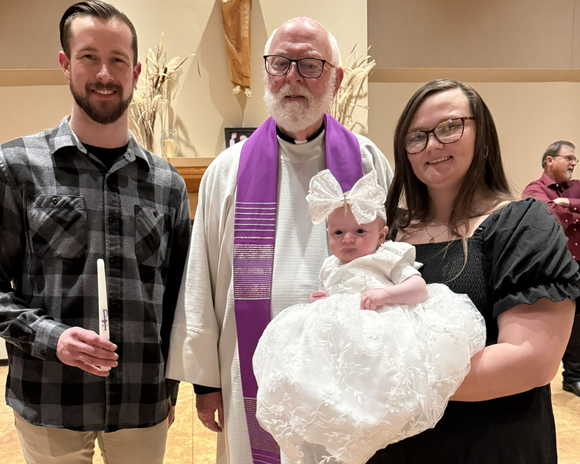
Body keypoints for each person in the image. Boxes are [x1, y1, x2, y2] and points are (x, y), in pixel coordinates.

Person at [166, 17, 393, 464]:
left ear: (336, 79)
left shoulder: (368, 162)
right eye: (280, 63)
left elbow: (391, 263)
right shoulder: (228, 170)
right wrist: (207, 383)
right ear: (266, 71)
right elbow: (201, 278)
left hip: (346, 371)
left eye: (310, 64)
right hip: (248, 368)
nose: (293, 77)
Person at [0, 2, 191, 463]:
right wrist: (51, 338)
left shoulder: (167, 185)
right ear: (65, 63)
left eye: (117, 60)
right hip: (49, 400)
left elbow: (179, 300)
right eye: (89, 57)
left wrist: (169, 388)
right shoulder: (17, 167)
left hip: (141, 402)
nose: (104, 73)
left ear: (136, 72)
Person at [365, 78, 580, 464]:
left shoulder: (522, 224)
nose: (432, 144)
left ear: (483, 137)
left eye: (450, 127)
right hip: (398, 446)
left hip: (490, 444)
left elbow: (530, 361)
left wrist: (385, 381)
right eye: (416, 136)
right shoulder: (389, 232)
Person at [253, 169, 486, 464]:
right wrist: (323, 299)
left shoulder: (385, 257)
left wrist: (385, 294)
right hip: (340, 340)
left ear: (381, 235)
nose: (348, 239)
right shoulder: (330, 266)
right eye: (338, 233)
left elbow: (418, 289)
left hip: (378, 326)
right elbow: (335, 294)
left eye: (360, 232)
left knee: (380, 379)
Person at [522, 140, 580, 397]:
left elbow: (560, 211)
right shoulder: (534, 189)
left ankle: (574, 377)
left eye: (575, 159)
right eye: (569, 157)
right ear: (549, 160)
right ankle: (557, 378)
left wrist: (567, 202)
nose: (574, 163)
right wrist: (572, 210)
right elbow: (549, 216)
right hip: (558, 267)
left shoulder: (577, 186)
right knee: (558, 321)